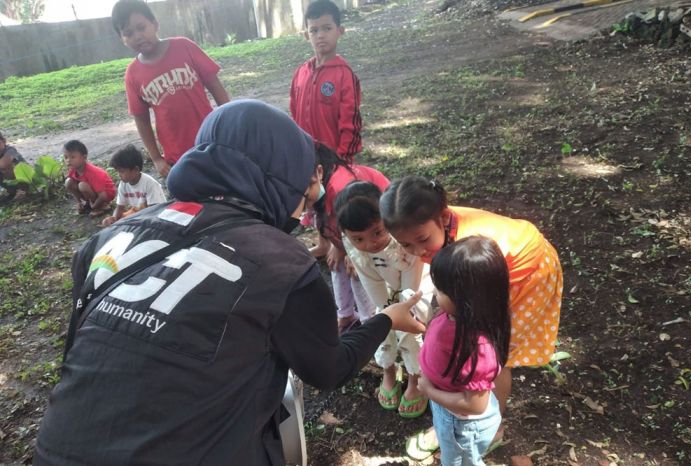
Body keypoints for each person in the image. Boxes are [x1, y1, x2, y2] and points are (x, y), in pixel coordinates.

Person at [34, 99, 425, 466]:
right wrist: (386, 318)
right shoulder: (281, 263)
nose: (308, 198)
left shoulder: (105, 240)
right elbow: (329, 369)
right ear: (280, 177)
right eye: (302, 183)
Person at [380, 175, 563, 459]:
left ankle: (492, 427)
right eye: (406, 245)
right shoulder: (439, 232)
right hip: (489, 273)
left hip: (526, 270)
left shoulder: (472, 248)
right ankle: (462, 415)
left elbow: (483, 307)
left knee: (496, 354)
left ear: (442, 217)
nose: (418, 252)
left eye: (422, 240)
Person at [335, 181, 430, 418]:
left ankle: (415, 377)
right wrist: (387, 313)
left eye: (377, 232)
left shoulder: (404, 238)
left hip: (416, 283)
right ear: (346, 235)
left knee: (411, 322)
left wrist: (398, 312)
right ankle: (388, 369)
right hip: (383, 283)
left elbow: (410, 292)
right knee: (381, 317)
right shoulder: (354, 245)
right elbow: (374, 289)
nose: (370, 243)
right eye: (358, 239)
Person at [416, 236, 510, 466]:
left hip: (464, 425)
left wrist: (429, 390)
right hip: (450, 410)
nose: (436, 295)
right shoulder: (455, 316)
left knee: (460, 462)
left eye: (440, 291)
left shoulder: (477, 348)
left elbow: (475, 404)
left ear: (465, 300)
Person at [112, 0, 230, 178]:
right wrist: (157, 158)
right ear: (122, 40)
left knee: (226, 187)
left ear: (155, 24)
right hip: (177, 156)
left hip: (212, 139)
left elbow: (215, 85)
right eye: (128, 33)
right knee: (192, 200)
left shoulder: (184, 46)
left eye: (141, 27)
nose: (137, 36)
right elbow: (142, 120)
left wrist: (229, 124)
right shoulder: (132, 74)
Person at [290, 0, 363, 258]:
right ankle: (323, 243)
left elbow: (350, 120)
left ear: (339, 31)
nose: (320, 35)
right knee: (317, 201)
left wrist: (343, 158)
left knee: (336, 201)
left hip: (335, 158)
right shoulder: (301, 73)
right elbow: (294, 114)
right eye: (314, 30)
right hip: (309, 155)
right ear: (306, 34)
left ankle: (341, 246)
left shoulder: (344, 75)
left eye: (327, 28)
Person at [311, 144, 389, 334]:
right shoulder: (321, 184)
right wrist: (339, 248)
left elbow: (361, 224)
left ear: (319, 172)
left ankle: (369, 320)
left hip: (376, 224)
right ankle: (346, 314)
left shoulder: (339, 185)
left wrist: (353, 253)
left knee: (357, 272)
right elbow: (332, 223)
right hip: (355, 232)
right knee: (336, 263)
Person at [101, 144, 167, 227]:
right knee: (119, 221)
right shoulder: (123, 184)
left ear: (136, 170)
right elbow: (120, 207)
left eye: (121, 171)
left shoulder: (150, 184)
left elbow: (154, 211)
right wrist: (113, 219)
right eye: (117, 171)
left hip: (157, 214)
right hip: (138, 212)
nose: (119, 175)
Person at [63, 139, 116, 217]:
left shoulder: (93, 172)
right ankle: (83, 204)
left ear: (84, 157)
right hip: (93, 191)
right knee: (68, 182)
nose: (68, 160)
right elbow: (72, 185)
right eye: (66, 157)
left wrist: (94, 206)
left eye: (72, 157)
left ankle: (100, 206)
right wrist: (79, 202)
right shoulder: (73, 170)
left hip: (105, 194)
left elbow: (103, 195)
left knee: (82, 185)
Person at [0, 131, 27, 201]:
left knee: (7, 167)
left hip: (26, 182)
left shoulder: (10, 150)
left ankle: (21, 191)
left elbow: (4, 164)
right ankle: (11, 193)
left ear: (4, 141)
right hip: (10, 187)